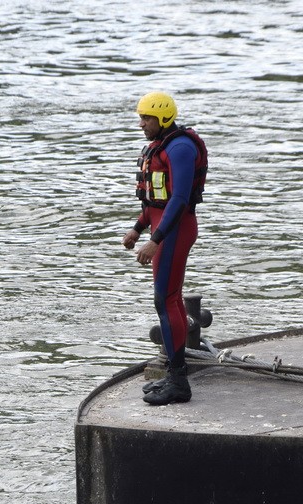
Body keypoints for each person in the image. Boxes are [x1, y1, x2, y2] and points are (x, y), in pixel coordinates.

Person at [122, 91, 208, 406]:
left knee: (166, 299)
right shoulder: (160, 147)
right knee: (166, 299)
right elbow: (157, 200)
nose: (141, 124)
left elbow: (179, 199)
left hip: (175, 232)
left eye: (146, 118)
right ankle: (174, 373)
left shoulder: (181, 148)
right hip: (162, 228)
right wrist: (137, 227)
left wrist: (155, 239)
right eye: (141, 118)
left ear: (162, 118)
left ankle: (178, 381)